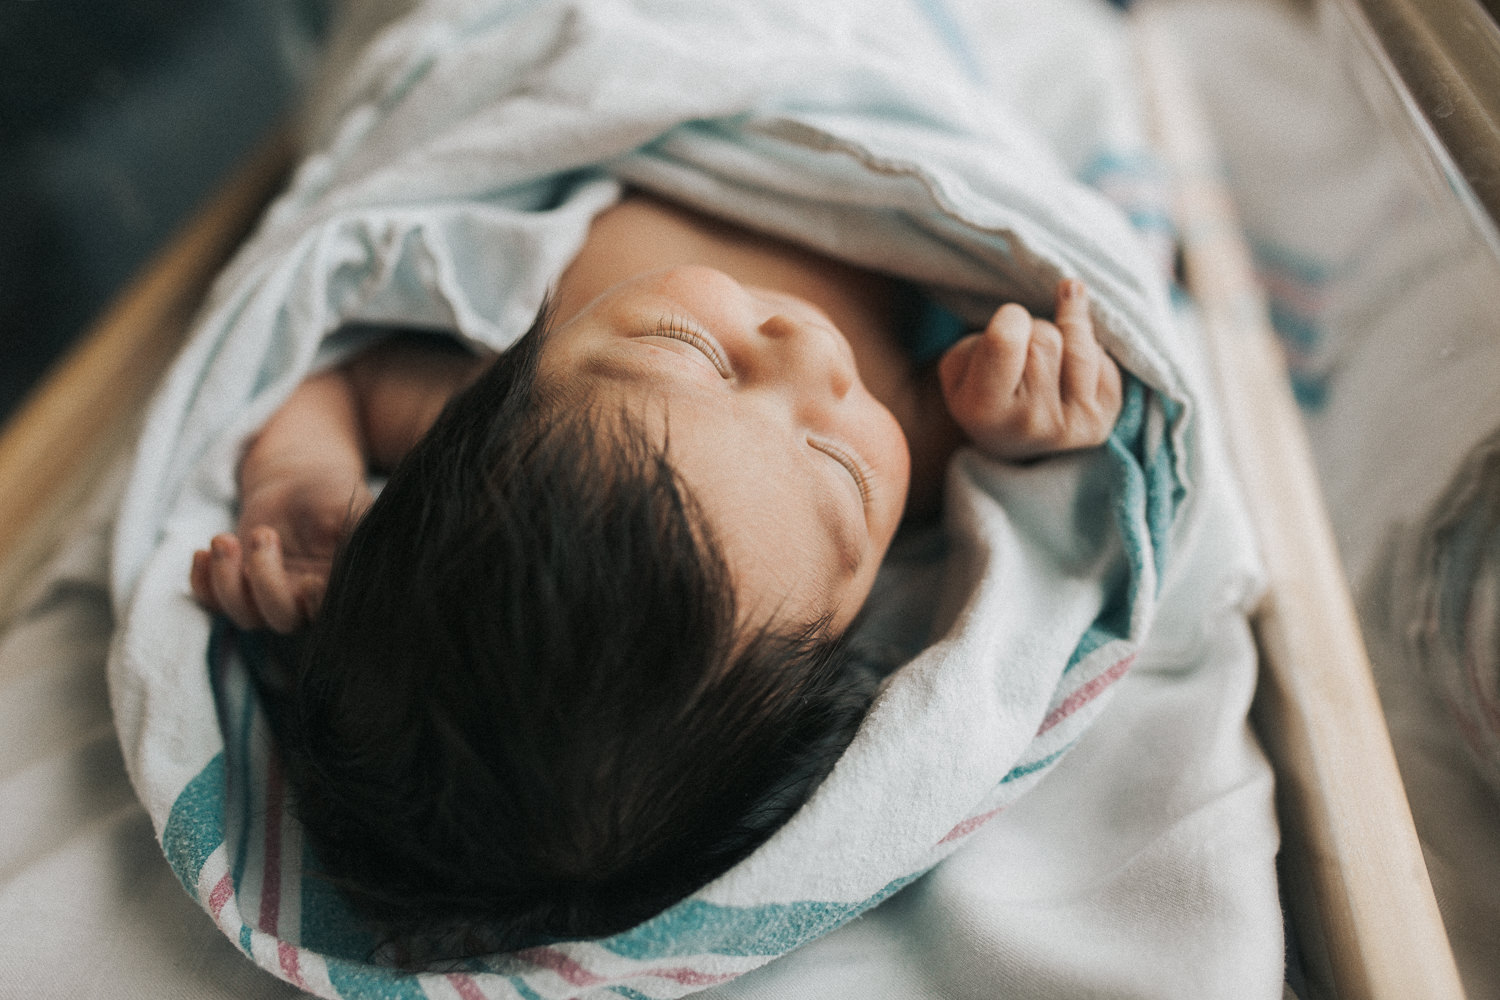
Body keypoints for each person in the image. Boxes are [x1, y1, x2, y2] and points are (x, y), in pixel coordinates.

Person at [187, 190, 1122, 960]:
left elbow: (345, 379)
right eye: (839, 470)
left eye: (688, 352)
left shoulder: (508, 433)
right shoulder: (910, 457)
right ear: (849, 627)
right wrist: (1014, 421)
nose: (818, 357)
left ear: (500, 398)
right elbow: (1003, 404)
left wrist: (302, 484)